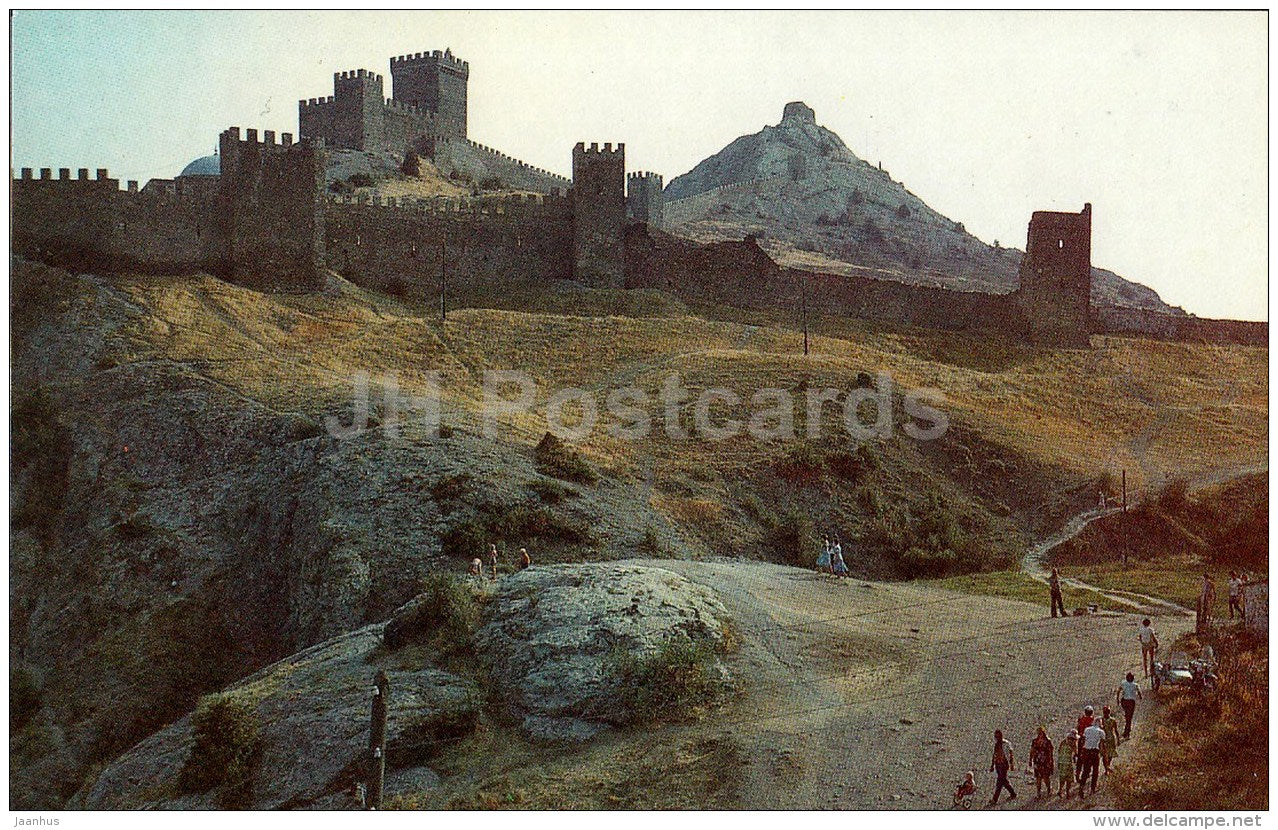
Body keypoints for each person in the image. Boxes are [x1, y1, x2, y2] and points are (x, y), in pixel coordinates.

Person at [988, 729, 1017, 804]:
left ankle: (995, 799)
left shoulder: (1006, 743)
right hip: (998, 765)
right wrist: (992, 765)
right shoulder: (996, 745)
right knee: (1003, 781)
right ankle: (1013, 793)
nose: (997, 738)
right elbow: (995, 755)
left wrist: (1011, 764)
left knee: (1000, 782)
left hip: (1004, 764)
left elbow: (1010, 754)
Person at [1080, 718, 1105, 795]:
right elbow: (1102, 744)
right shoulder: (1101, 732)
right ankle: (1092, 789)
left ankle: (1081, 787)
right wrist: (1103, 753)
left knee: (1085, 770)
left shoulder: (1087, 729)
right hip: (1094, 751)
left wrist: (1082, 751)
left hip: (1086, 751)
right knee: (1095, 771)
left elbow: (1083, 740)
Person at [1116, 671, 1142, 739]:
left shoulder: (1123, 683)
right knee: (1129, 717)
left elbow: (1118, 691)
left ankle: (1127, 729)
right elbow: (1139, 692)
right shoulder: (1135, 685)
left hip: (1124, 701)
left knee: (1127, 715)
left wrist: (1118, 700)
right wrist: (1140, 698)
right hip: (1131, 702)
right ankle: (1127, 732)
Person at [1030, 726, 1054, 798]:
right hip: (1037, 761)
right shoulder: (1035, 741)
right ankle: (1038, 792)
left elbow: (1050, 752)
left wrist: (1050, 761)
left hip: (1045, 761)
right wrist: (1030, 759)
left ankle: (1049, 789)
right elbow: (1032, 750)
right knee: (1038, 778)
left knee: (1046, 777)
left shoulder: (1047, 741)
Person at [1075, 705, 1096, 781]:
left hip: (1081, 740)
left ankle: (1077, 773)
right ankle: (1086, 772)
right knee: (1088, 757)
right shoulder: (1093, 720)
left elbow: (1078, 728)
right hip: (1089, 740)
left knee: (1080, 758)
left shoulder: (1081, 719)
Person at [1057, 730, 1078, 799]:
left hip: (1061, 762)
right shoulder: (1073, 744)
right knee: (1069, 779)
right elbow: (1076, 753)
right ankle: (1067, 792)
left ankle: (1060, 790)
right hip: (1068, 763)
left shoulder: (1063, 742)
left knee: (1062, 778)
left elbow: (1059, 751)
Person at [1100, 705, 1120, 773]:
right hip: (1108, 738)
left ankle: (1107, 766)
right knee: (1106, 754)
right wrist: (1118, 739)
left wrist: (1118, 739)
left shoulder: (1107, 720)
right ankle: (1107, 768)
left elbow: (1116, 730)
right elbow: (1116, 731)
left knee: (1110, 754)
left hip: (1108, 738)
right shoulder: (1103, 720)